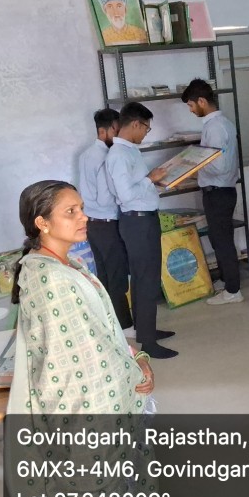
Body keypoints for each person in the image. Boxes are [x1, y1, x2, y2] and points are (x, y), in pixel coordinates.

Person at [6, 180, 164, 497]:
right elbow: (76, 364)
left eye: (81, 208)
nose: (84, 217)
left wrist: (137, 356)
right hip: (88, 412)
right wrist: (132, 373)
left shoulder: (65, 264)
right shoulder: (49, 278)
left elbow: (103, 333)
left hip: (103, 402)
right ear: (42, 223)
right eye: (70, 212)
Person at [105, 102, 177, 358]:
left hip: (143, 219)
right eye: (146, 128)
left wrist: (155, 182)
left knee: (145, 278)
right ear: (135, 124)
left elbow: (136, 187)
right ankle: (148, 342)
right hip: (137, 222)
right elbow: (125, 195)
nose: (146, 132)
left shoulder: (129, 151)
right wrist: (151, 179)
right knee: (145, 279)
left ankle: (146, 330)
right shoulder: (119, 155)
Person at [181, 79, 244, 305]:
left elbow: (220, 166)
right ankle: (226, 281)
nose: (190, 110)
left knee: (223, 241)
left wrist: (194, 163)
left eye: (191, 105)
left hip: (219, 192)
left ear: (201, 101)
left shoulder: (215, 127)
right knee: (218, 239)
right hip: (218, 191)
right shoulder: (218, 124)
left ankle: (233, 291)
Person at [77, 108, 134, 334]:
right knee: (117, 275)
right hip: (108, 223)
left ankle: (112, 323)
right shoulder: (105, 157)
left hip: (92, 223)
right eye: (116, 131)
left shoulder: (85, 154)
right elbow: (105, 196)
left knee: (105, 275)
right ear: (105, 131)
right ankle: (126, 326)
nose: (119, 135)